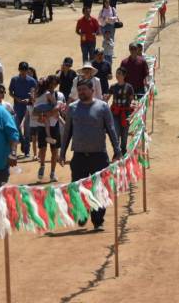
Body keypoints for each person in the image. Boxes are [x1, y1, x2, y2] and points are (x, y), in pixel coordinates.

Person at [60, 78, 121, 231]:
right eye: (79, 90)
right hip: (79, 156)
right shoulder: (72, 108)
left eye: (84, 90)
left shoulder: (102, 107)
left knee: (99, 189)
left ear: (92, 90)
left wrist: (117, 149)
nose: (81, 92)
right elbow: (67, 132)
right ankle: (82, 214)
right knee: (78, 188)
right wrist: (62, 153)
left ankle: (98, 220)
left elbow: (111, 129)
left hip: (99, 155)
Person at [31, 75, 65, 182]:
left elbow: (57, 108)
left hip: (53, 125)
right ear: (47, 83)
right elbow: (34, 111)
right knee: (42, 149)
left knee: (54, 151)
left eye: (55, 84)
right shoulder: (41, 94)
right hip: (42, 125)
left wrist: (44, 115)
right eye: (51, 83)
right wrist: (43, 115)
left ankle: (52, 173)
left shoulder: (59, 95)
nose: (52, 86)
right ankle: (42, 166)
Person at [8, 62, 38, 158]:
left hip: (28, 107)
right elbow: (10, 92)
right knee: (16, 128)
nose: (23, 72)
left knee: (27, 130)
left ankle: (27, 151)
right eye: (22, 70)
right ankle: (23, 143)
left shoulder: (32, 81)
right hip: (17, 107)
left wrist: (29, 99)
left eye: (25, 70)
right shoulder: (14, 80)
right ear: (19, 70)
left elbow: (36, 94)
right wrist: (16, 98)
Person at [107, 67, 135, 155]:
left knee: (125, 133)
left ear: (124, 76)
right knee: (115, 132)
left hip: (126, 113)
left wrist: (133, 107)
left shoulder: (129, 87)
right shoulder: (113, 87)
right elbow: (107, 98)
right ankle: (116, 151)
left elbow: (132, 100)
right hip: (115, 113)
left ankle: (123, 150)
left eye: (119, 73)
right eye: (117, 73)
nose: (117, 75)